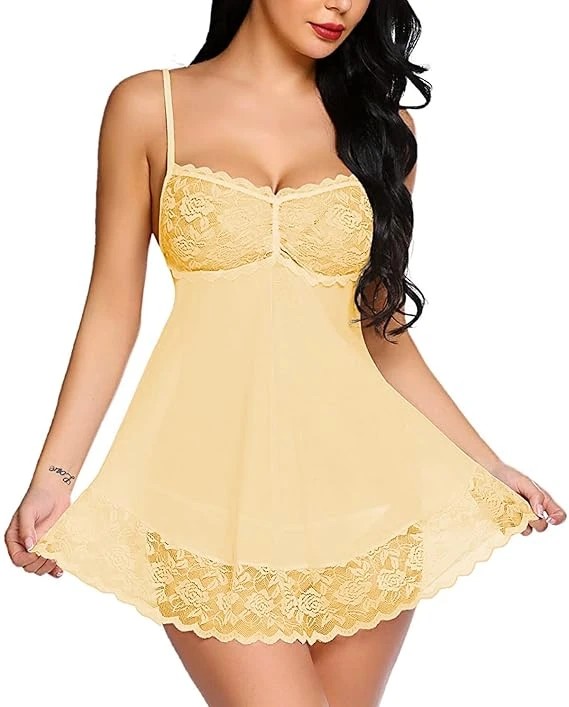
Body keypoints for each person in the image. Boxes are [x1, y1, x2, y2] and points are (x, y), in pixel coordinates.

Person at [5, 1, 566, 705]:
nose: (342, 5)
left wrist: (489, 464)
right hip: (204, 497)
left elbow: (381, 331)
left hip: (368, 499)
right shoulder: (150, 107)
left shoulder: (385, 132)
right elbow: (113, 308)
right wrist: (54, 475)